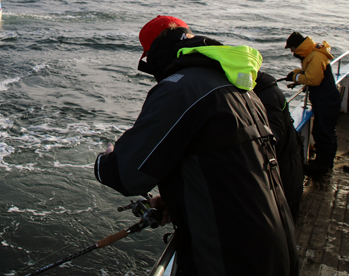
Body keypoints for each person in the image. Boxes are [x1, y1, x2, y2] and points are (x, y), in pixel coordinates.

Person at [94, 15, 298, 276]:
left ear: (153, 55)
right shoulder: (239, 86)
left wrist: (106, 160)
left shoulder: (181, 88)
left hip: (230, 256)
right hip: (277, 247)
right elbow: (228, 163)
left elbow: (125, 175)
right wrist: (176, 197)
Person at [284, 31, 342, 177]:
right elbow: (309, 72)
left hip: (326, 100)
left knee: (322, 132)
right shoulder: (312, 53)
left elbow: (314, 79)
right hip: (326, 99)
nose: (292, 52)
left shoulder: (315, 56)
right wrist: (295, 75)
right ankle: (327, 162)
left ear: (297, 46)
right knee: (327, 131)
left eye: (291, 49)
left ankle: (321, 166)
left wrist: (296, 77)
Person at [254, 71, 304, 220]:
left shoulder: (268, 96)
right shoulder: (268, 90)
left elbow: (273, 135)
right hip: (288, 157)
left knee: (287, 207)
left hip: (285, 162)